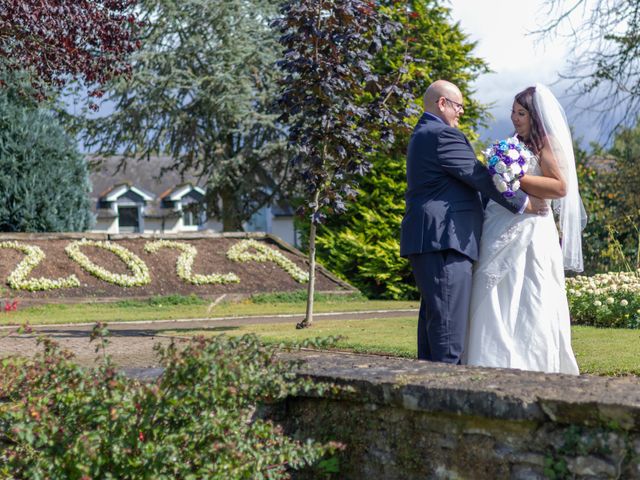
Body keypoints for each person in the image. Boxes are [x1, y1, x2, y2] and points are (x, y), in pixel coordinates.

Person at [400, 79, 547, 364]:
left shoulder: (424, 133)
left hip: (432, 240)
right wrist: (523, 203)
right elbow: (477, 175)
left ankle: (426, 397)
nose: (461, 113)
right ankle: (445, 401)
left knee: (435, 328)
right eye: (458, 106)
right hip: (445, 241)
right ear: (442, 104)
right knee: (448, 336)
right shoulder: (442, 135)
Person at [463, 84, 585, 375]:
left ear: (535, 116)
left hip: (532, 231)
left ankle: (534, 362)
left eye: (521, 113)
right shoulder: (509, 143)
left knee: (532, 291)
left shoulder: (547, 143)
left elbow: (560, 186)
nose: (515, 118)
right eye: (513, 112)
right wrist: (501, 174)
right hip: (499, 225)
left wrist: (514, 177)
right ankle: (488, 359)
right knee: (491, 287)